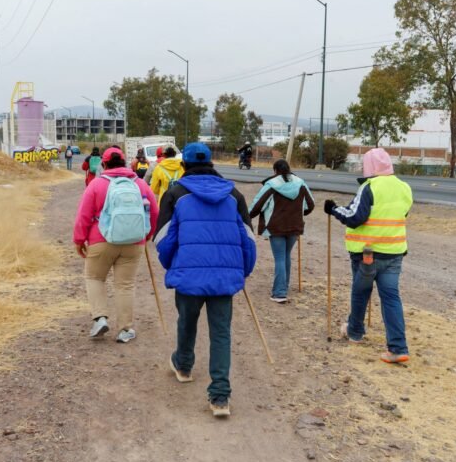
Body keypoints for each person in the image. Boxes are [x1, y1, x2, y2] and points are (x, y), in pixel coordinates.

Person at [154, 142, 256, 417]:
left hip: (189, 274)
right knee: (221, 333)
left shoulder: (176, 193)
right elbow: (248, 237)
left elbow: (163, 238)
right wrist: (243, 270)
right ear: (211, 163)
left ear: (184, 165)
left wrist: (172, 264)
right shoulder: (233, 194)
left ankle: (184, 366)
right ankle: (220, 397)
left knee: (187, 321)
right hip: (225, 276)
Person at [323, 148, 413, 364]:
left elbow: (355, 217)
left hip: (367, 254)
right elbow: (404, 213)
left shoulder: (369, 187)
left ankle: (355, 332)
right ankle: (398, 347)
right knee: (391, 298)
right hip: (394, 253)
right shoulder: (404, 187)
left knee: (360, 292)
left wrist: (334, 209)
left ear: (369, 167)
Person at [73, 147, 159, 343]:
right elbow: (154, 212)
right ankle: (125, 329)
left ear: (104, 164)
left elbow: (83, 216)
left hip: (100, 239)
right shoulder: (140, 184)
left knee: (94, 278)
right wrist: (147, 234)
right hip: (133, 242)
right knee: (125, 285)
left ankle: (100, 318)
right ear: (125, 163)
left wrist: (79, 240)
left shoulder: (96, 185)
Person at [249, 159, 315, 303]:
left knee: (280, 257)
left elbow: (257, 206)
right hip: (295, 226)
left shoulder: (271, 185)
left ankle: (279, 293)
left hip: (276, 227)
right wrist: (299, 213)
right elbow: (311, 204)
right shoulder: (300, 183)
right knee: (286, 256)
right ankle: (284, 286)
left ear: (275, 171)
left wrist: (247, 217)